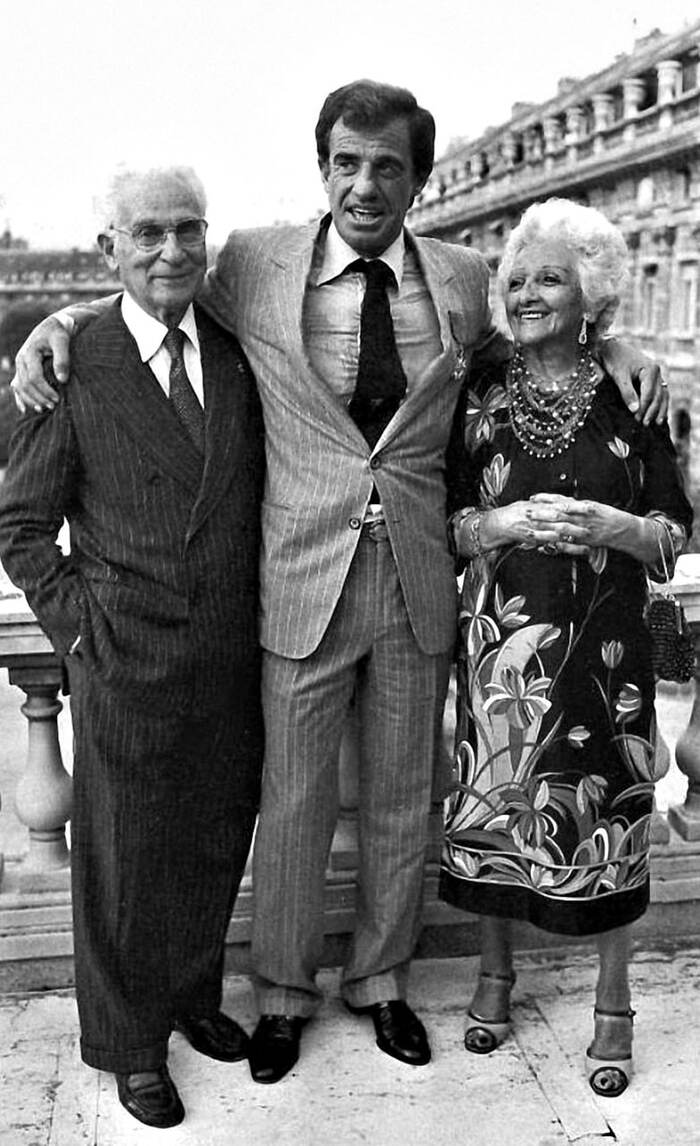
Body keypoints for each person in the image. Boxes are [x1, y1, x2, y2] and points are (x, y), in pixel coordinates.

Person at [11, 81, 668, 1086]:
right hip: (294, 579)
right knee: (293, 798)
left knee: (408, 797)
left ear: (418, 180)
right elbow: (156, 279)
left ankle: (380, 981)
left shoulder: (459, 277)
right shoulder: (255, 264)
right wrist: (65, 318)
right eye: (347, 163)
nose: (366, 185)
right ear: (321, 170)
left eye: (388, 167)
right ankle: (280, 993)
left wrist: (617, 339)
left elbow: (543, 327)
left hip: (415, 573)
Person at [0, 166, 265, 1128]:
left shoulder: (236, 353)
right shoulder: (72, 362)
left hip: (232, 652)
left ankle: (192, 997)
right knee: (118, 859)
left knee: (210, 837)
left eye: (188, 229)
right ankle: (128, 1044)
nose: (171, 251)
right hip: (121, 656)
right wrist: (79, 631)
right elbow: (22, 525)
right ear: (110, 248)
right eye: (147, 233)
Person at [442, 197, 692, 1098]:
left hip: (609, 655)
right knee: (501, 811)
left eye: (549, 277)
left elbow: (673, 531)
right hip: (501, 645)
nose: (526, 293)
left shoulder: (634, 394)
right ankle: (494, 979)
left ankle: (614, 1009)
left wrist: (619, 526)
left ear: (594, 296)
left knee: (610, 819)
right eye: (516, 279)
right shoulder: (480, 389)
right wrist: (500, 521)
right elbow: (446, 521)